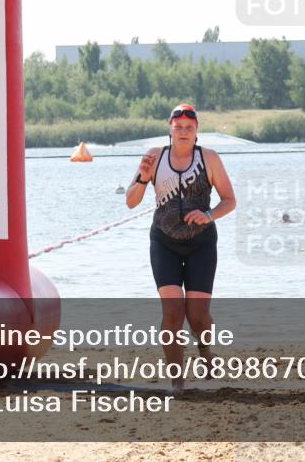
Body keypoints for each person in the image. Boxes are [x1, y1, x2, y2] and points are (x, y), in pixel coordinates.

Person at [125, 103, 236, 394]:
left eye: (189, 127)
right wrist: (140, 175)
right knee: (173, 313)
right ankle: (177, 380)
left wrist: (208, 214)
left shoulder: (208, 158)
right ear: (170, 129)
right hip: (164, 242)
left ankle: (204, 350)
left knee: (198, 318)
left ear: (196, 131)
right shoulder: (155, 157)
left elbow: (229, 200)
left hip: (201, 243)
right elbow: (131, 201)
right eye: (179, 127)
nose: (184, 132)